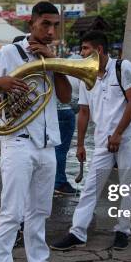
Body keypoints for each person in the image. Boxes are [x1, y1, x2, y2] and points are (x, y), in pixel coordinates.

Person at [0, 1, 75, 262]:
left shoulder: (52, 56)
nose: (50, 30)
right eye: (45, 24)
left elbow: (66, 97)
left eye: (55, 25)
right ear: (31, 24)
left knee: (40, 210)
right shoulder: (8, 53)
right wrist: (0, 83)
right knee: (12, 212)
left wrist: (54, 63)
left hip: (46, 144)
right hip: (17, 141)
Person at [51, 30, 131, 251]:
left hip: (128, 137)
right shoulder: (87, 76)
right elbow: (83, 112)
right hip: (103, 141)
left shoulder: (123, 67)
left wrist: (119, 133)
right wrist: (80, 144)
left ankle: (123, 229)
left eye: (85, 49)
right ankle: (77, 232)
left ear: (99, 50)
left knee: (127, 186)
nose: (82, 53)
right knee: (91, 186)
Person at [54, 52, 81, 196]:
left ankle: (54, 180)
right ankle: (59, 182)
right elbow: (77, 100)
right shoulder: (78, 70)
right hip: (66, 111)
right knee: (61, 150)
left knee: (54, 149)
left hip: (54, 111)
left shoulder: (64, 67)